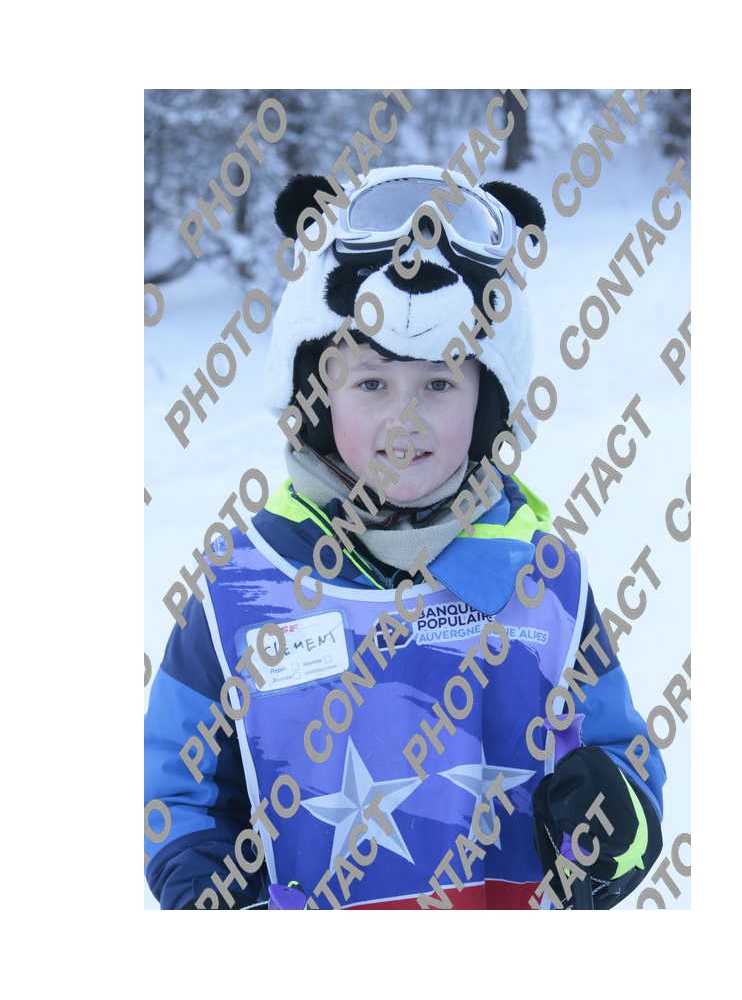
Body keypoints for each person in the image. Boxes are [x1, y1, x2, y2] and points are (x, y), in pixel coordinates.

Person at [144, 165, 666, 909]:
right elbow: (175, 790)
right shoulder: (243, 591)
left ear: (488, 406)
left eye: (440, 384)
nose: (406, 418)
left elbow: (621, 756)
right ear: (317, 398)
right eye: (372, 384)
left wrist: (616, 829)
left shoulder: (541, 580)